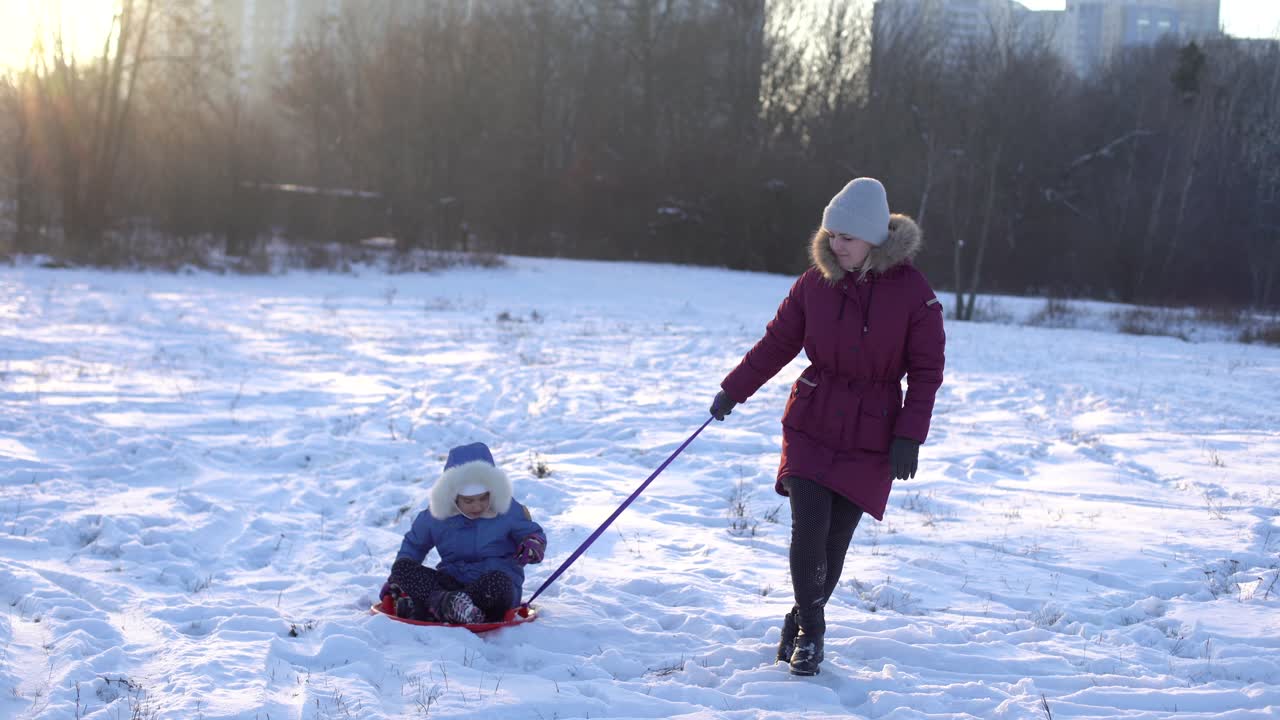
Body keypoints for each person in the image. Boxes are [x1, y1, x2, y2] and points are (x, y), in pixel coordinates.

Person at [709, 177, 945, 676]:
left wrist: (909, 434)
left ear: (875, 240)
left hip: (874, 430)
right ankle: (813, 632)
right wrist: (734, 389)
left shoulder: (914, 294)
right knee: (809, 527)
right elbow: (777, 344)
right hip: (813, 419)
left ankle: (798, 616)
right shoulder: (813, 283)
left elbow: (927, 371)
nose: (836, 246)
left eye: (848, 238)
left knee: (834, 544)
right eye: (831, 235)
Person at [380, 442, 547, 624]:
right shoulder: (437, 515)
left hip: (489, 588)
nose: (477, 506)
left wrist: (533, 543)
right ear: (453, 497)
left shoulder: (507, 509)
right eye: (469, 501)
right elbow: (414, 545)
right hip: (450, 583)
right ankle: (452, 606)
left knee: (499, 583)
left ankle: (431, 608)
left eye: (484, 498)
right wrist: (395, 580)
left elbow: (531, 533)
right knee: (402, 568)